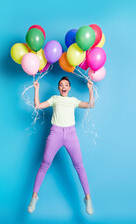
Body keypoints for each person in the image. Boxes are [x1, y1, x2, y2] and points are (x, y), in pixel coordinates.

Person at [28, 76, 95, 215]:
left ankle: (87, 198)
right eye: (61, 85)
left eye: (66, 85)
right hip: (55, 134)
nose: (63, 87)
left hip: (71, 134)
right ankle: (34, 197)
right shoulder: (54, 99)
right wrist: (37, 89)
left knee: (79, 166)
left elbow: (90, 104)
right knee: (44, 164)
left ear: (69, 88)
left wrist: (90, 89)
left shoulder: (73, 101)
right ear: (59, 88)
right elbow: (38, 105)